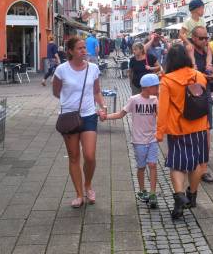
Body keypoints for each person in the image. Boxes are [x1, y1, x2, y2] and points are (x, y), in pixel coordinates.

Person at [157, 44, 210, 219]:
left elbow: (163, 108)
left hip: (178, 129)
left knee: (177, 164)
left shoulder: (167, 80)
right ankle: (191, 196)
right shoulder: (199, 76)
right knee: (195, 164)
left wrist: (159, 131)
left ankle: (179, 195)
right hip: (199, 126)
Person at [53, 36, 107, 208]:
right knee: (74, 156)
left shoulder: (93, 68)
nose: (84, 51)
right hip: (69, 117)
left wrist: (103, 105)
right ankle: (78, 194)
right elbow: (56, 92)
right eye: (80, 48)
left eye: (85, 48)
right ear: (70, 51)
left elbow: (96, 91)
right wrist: (70, 101)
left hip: (89, 115)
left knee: (90, 156)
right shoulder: (61, 70)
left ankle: (88, 185)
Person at [101, 73, 160, 208]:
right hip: (138, 140)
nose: (158, 88)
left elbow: (161, 117)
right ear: (147, 87)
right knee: (141, 167)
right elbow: (121, 114)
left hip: (152, 139)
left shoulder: (155, 100)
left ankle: (152, 193)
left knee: (152, 165)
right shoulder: (134, 99)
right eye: (156, 86)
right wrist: (106, 117)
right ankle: (142, 190)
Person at [189, 26, 213, 183]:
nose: (205, 41)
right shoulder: (188, 52)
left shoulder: (207, 52)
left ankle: (204, 168)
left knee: (206, 132)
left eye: (206, 38)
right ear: (193, 38)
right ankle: (192, 164)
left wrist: (211, 80)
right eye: (201, 38)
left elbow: (211, 71)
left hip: (205, 95)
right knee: (192, 132)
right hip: (191, 96)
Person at [180, 0, 213, 70]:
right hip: (190, 40)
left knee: (209, 49)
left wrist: (207, 41)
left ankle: (208, 64)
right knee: (190, 49)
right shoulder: (188, 21)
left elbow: (205, 32)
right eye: (202, 8)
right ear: (197, 9)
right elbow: (181, 34)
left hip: (201, 40)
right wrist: (188, 43)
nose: (203, 10)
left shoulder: (202, 20)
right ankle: (193, 64)